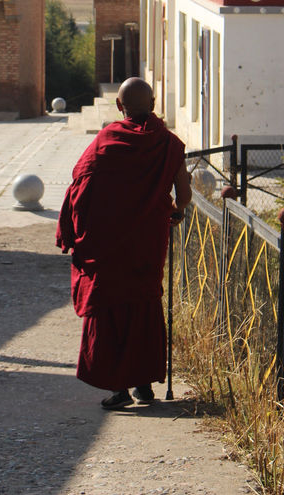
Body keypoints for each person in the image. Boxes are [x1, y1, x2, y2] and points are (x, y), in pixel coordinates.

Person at [56, 77, 191, 410]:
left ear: (120, 106)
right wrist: (177, 211)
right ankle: (143, 385)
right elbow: (183, 190)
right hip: (146, 242)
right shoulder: (169, 143)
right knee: (143, 305)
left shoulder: (106, 140)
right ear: (155, 103)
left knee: (110, 307)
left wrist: (79, 229)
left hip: (107, 244)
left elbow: (80, 186)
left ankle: (119, 388)